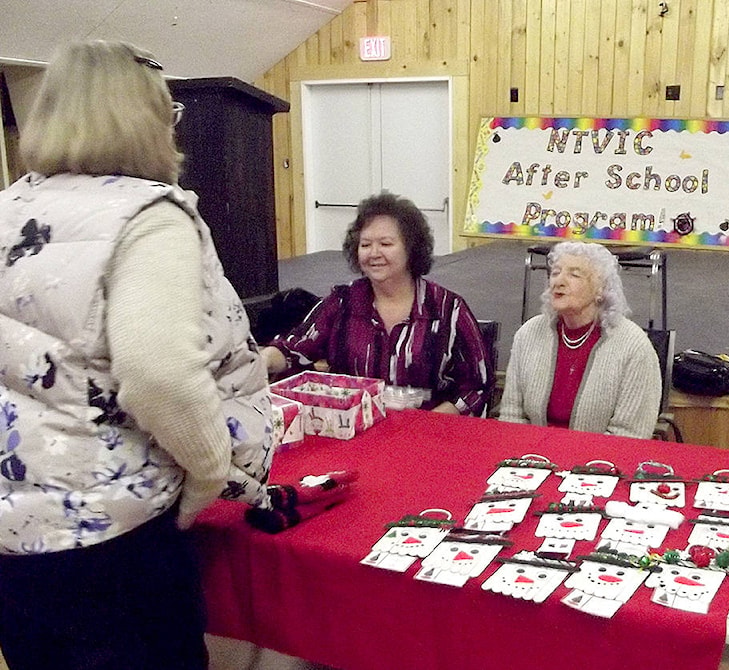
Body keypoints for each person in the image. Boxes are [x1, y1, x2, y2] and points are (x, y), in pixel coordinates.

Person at [0, 40, 273, 670]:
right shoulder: (147, 214)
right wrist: (208, 473)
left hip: (19, 537)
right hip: (114, 539)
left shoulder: (14, 206)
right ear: (142, 116)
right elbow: (158, 376)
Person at [262, 192, 495, 416]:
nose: (374, 253)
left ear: (411, 248)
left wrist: (430, 421)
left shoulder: (448, 309)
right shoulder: (342, 301)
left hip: (428, 436)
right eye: (365, 245)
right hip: (354, 433)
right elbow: (295, 349)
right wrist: (261, 362)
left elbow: (477, 386)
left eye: (385, 244)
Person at [499, 241, 662, 438]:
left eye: (574, 274)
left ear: (601, 289)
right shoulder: (528, 334)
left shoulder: (634, 347)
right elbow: (512, 416)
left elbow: (629, 435)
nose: (558, 281)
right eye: (555, 272)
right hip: (530, 459)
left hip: (598, 464)